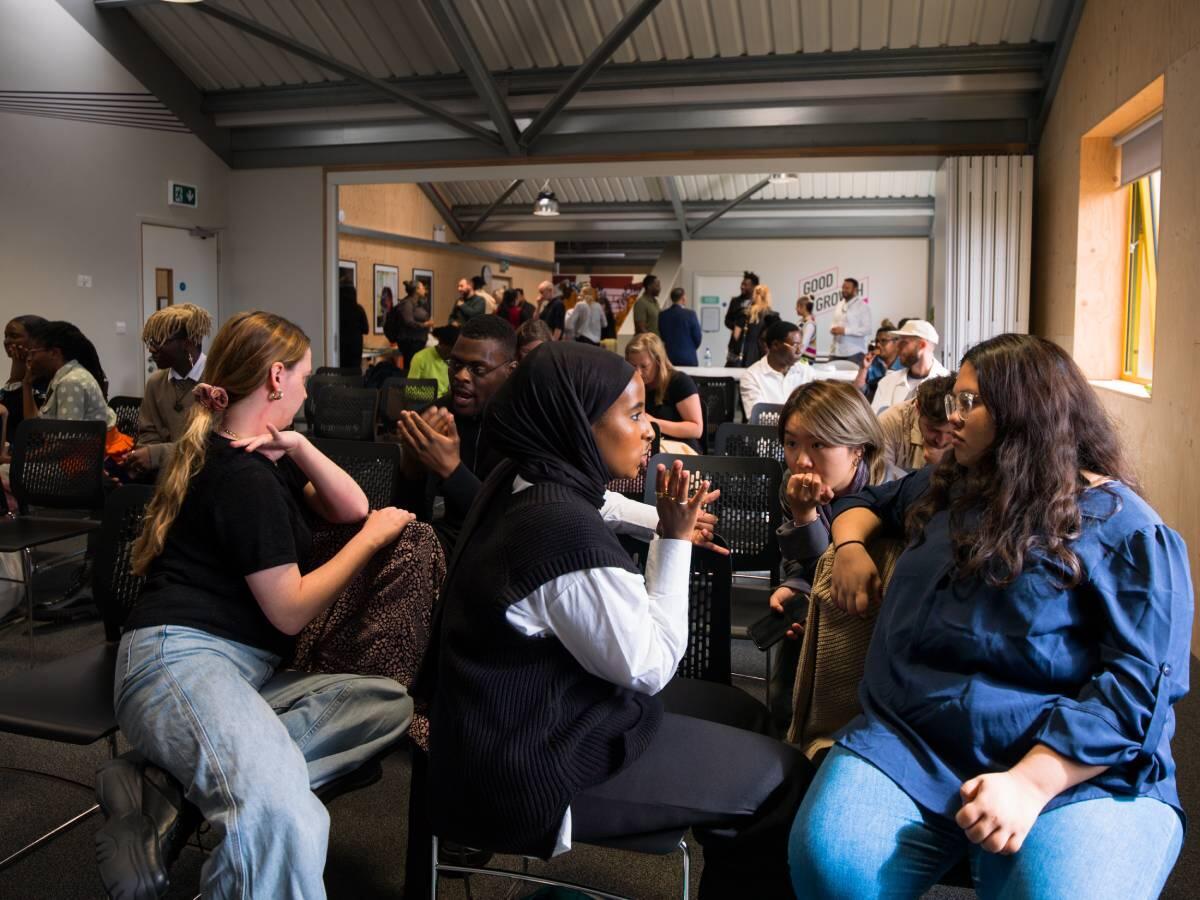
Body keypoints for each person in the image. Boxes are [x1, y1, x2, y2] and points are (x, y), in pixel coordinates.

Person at [790, 333, 1191, 900]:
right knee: (830, 865)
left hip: (1075, 769)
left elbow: (1140, 688)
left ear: (1024, 413)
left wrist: (1030, 783)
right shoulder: (952, 484)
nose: (950, 417)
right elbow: (864, 502)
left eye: (967, 402)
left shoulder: (1128, 531)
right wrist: (850, 547)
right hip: (915, 742)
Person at [415, 342, 811, 898]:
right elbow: (651, 666)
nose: (649, 428)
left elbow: (599, 504)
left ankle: (731, 841)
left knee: (741, 714)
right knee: (786, 779)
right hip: (531, 764)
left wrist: (660, 517)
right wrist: (672, 539)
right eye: (632, 413)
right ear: (578, 423)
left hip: (514, 721)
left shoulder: (522, 476)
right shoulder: (559, 534)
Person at [109, 311, 414, 898]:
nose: (306, 388)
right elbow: (290, 610)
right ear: (276, 378)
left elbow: (350, 507)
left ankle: (171, 787)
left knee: (385, 705)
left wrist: (296, 442)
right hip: (180, 662)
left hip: (234, 672)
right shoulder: (241, 477)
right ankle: (219, 792)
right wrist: (373, 539)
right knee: (284, 816)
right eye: (301, 376)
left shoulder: (254, 456)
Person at [767, 380, 906, 729]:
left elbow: (848, 574)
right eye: (791, 443)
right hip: (823, 605)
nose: (801, 459)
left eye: (818, 444)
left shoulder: (892, 495)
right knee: (786, 677)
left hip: (873, 625)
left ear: (857, 448)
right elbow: (807, 567)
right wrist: (795, 586)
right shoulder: (794, 486)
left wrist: (805, 521)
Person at [121, 304, 213, 480]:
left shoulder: (217, 380)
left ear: (188, 343)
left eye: (160, 341)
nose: (151, 349)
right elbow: (148, 433)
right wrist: (148, 454)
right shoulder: (156, 382)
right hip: (164, 479)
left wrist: (157, 455)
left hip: (204, 478)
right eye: (150, 342)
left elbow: (212, 446)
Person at [20, 320, 115, 429]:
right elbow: (34, 427)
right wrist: (27, 385)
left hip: (95, 446)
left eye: (33, 353)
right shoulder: (60, 377)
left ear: (54, 353)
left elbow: (67, 438)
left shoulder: (71, 382)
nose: (29, 358)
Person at [625, 333, 704, 452]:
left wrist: (655, 424)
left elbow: (696, 429)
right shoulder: (632, 385)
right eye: (633, 366)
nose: (638, 372)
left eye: (644, 366)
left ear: (658, 362)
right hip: (647, 449)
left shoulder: (679, 382)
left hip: (679, 450)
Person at [878, 373, 956, 471]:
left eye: (950, 432)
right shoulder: (889, 423)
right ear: (918, 408)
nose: (941, 441)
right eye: (933, 430)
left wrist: (941, 465)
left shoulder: (969, 426)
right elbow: (881, 480)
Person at [871, 319, 951, 414]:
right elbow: (874, 423)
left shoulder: (948, 384)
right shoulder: (887, 382)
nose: (898, 347)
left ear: (922, 345)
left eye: (903, 343)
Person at [739, 320, 814, 415]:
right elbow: (758, 418)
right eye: (795, 345)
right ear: (775, 345)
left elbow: (815, 411)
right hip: (767, 430)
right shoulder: (752, 376)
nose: (799, 351)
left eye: (800, 345)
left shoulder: (806, 371)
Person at [1, 315, 48, 453]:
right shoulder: (18, 375)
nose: (7, 341)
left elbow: (33, 432)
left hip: (31, 458)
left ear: (37, 341)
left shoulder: (45, 380)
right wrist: (17, 362)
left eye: (14, 336)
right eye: (6, 336)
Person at [384, 280, 432, 367]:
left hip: (418, 342)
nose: (424, 289)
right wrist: (424, 325)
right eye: (422, 287)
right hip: (410, 343)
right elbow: (408, 322)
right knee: (411, 368)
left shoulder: (418, 303)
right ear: (417, 290)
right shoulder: (407, 303)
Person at [852, 319, 903, 403]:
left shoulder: (904, 364)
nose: (878, 345)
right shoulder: (872, 363)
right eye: (877, 341)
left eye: (883, 341)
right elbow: (857, 392)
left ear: (897, 343)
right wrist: (863, 369)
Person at [405, 324, 458, 399]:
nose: (451, 356)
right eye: (449, 351)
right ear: (441, 344)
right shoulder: (420, 358)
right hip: (427, 403)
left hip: (446, 401)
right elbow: (410, 391)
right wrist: (435, 396)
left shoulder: (453, 360)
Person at [829, 277, 872, 362]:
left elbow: (867, 330)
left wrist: (845, 331)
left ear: (855, 289)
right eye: (843, 287)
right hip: (835, 351)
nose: (844, 290)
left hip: (855, 353)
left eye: (847, 288)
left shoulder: (863, 306)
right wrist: (832, 329)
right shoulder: (839, 304)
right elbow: (833, 323)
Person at [659, 287, 702, 367]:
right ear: (683, 298)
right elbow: (697, 337)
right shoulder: (690, 314)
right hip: (688, 357)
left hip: (669, 357)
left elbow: (662, 335)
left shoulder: (663, 315)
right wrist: (690, 348)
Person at [724, 271, 759, 366]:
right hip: (735, 344)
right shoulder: (735, 301)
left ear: (754, 287)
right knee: (732, 368)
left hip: (752, 347)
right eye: (742, 284)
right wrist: (737, 326)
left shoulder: (759, 304)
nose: (742, 287)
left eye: (745, 285)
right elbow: (727, 321)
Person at [740, 283, 779, 368]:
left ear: (754, 295)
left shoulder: (746, 313)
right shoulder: (773, 316)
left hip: (747, 353)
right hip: (765, 353)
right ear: (768, 297)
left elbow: (737, 335)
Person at [337, 281, 368, 370]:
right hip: (355, 347)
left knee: (341, 374)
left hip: (341, 347)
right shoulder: (358, 309)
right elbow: (366, 329)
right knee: (354, 374)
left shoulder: (337, 309)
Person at [795, 295, 818, 363]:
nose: (795, 308)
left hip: (805, 359)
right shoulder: (802, 321)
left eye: (797, 306)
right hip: (801, 357)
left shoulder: (810, 324)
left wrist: (795, 357)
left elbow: (804, 344)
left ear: (804, 307)